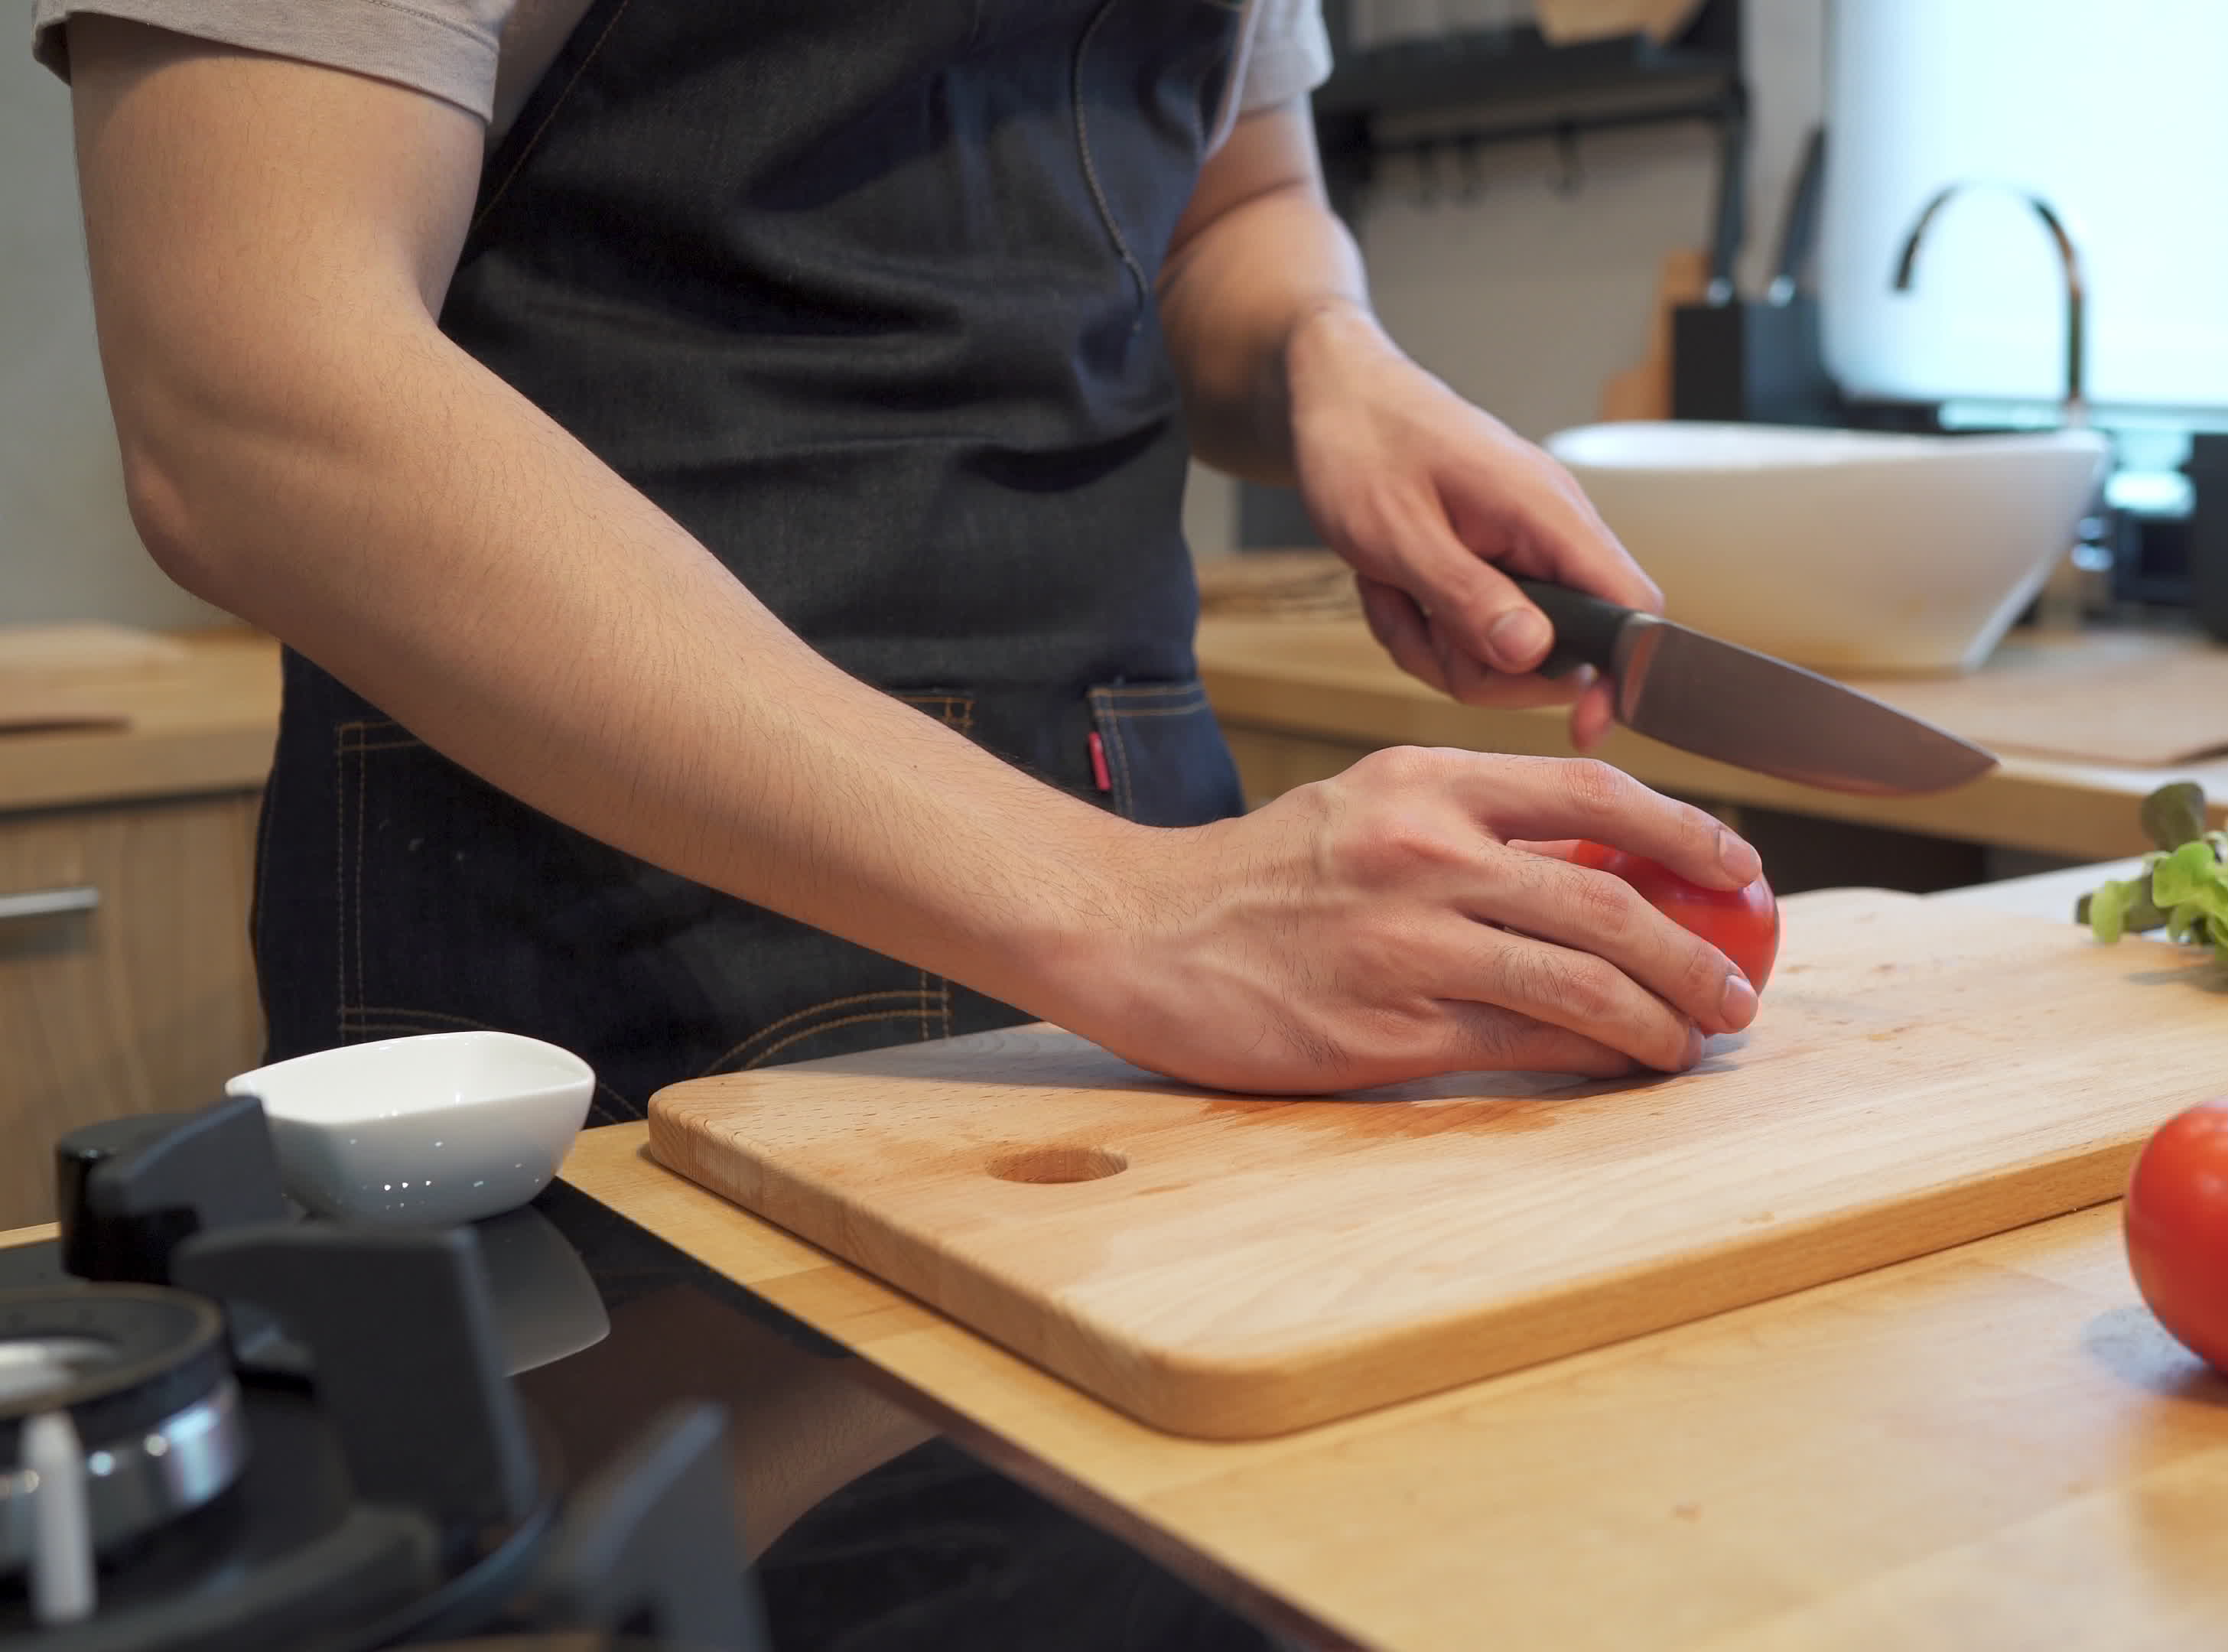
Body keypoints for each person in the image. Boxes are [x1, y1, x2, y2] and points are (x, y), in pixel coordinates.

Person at [37, 1, 1765, 1642]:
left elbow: (1242, 206)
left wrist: (1330, 357)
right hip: (606, 917)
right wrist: (1131, 911)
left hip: (1162, 907)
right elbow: (246, 370)